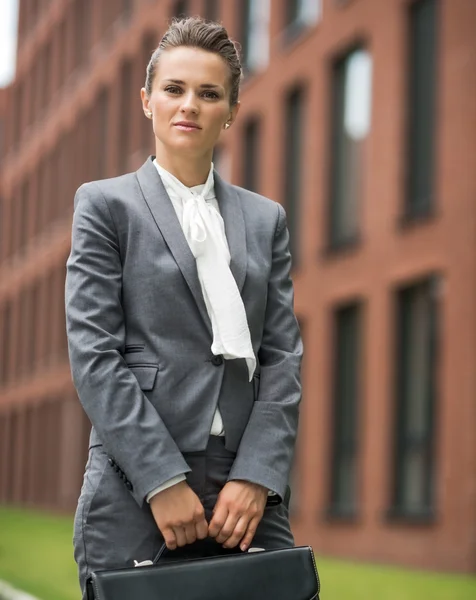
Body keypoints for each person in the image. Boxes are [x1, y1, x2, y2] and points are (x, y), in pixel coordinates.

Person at [65, 16, 302, 598]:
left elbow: (281, 357)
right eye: (174, 89)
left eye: (209, 93)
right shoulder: (103, 206)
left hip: (244, 491)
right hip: (134, 482)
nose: (189, 104)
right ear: (147, 101)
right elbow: (94, 354)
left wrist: (257, 475)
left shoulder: (265, 218)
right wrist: (161, 479)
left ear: (231, 110)